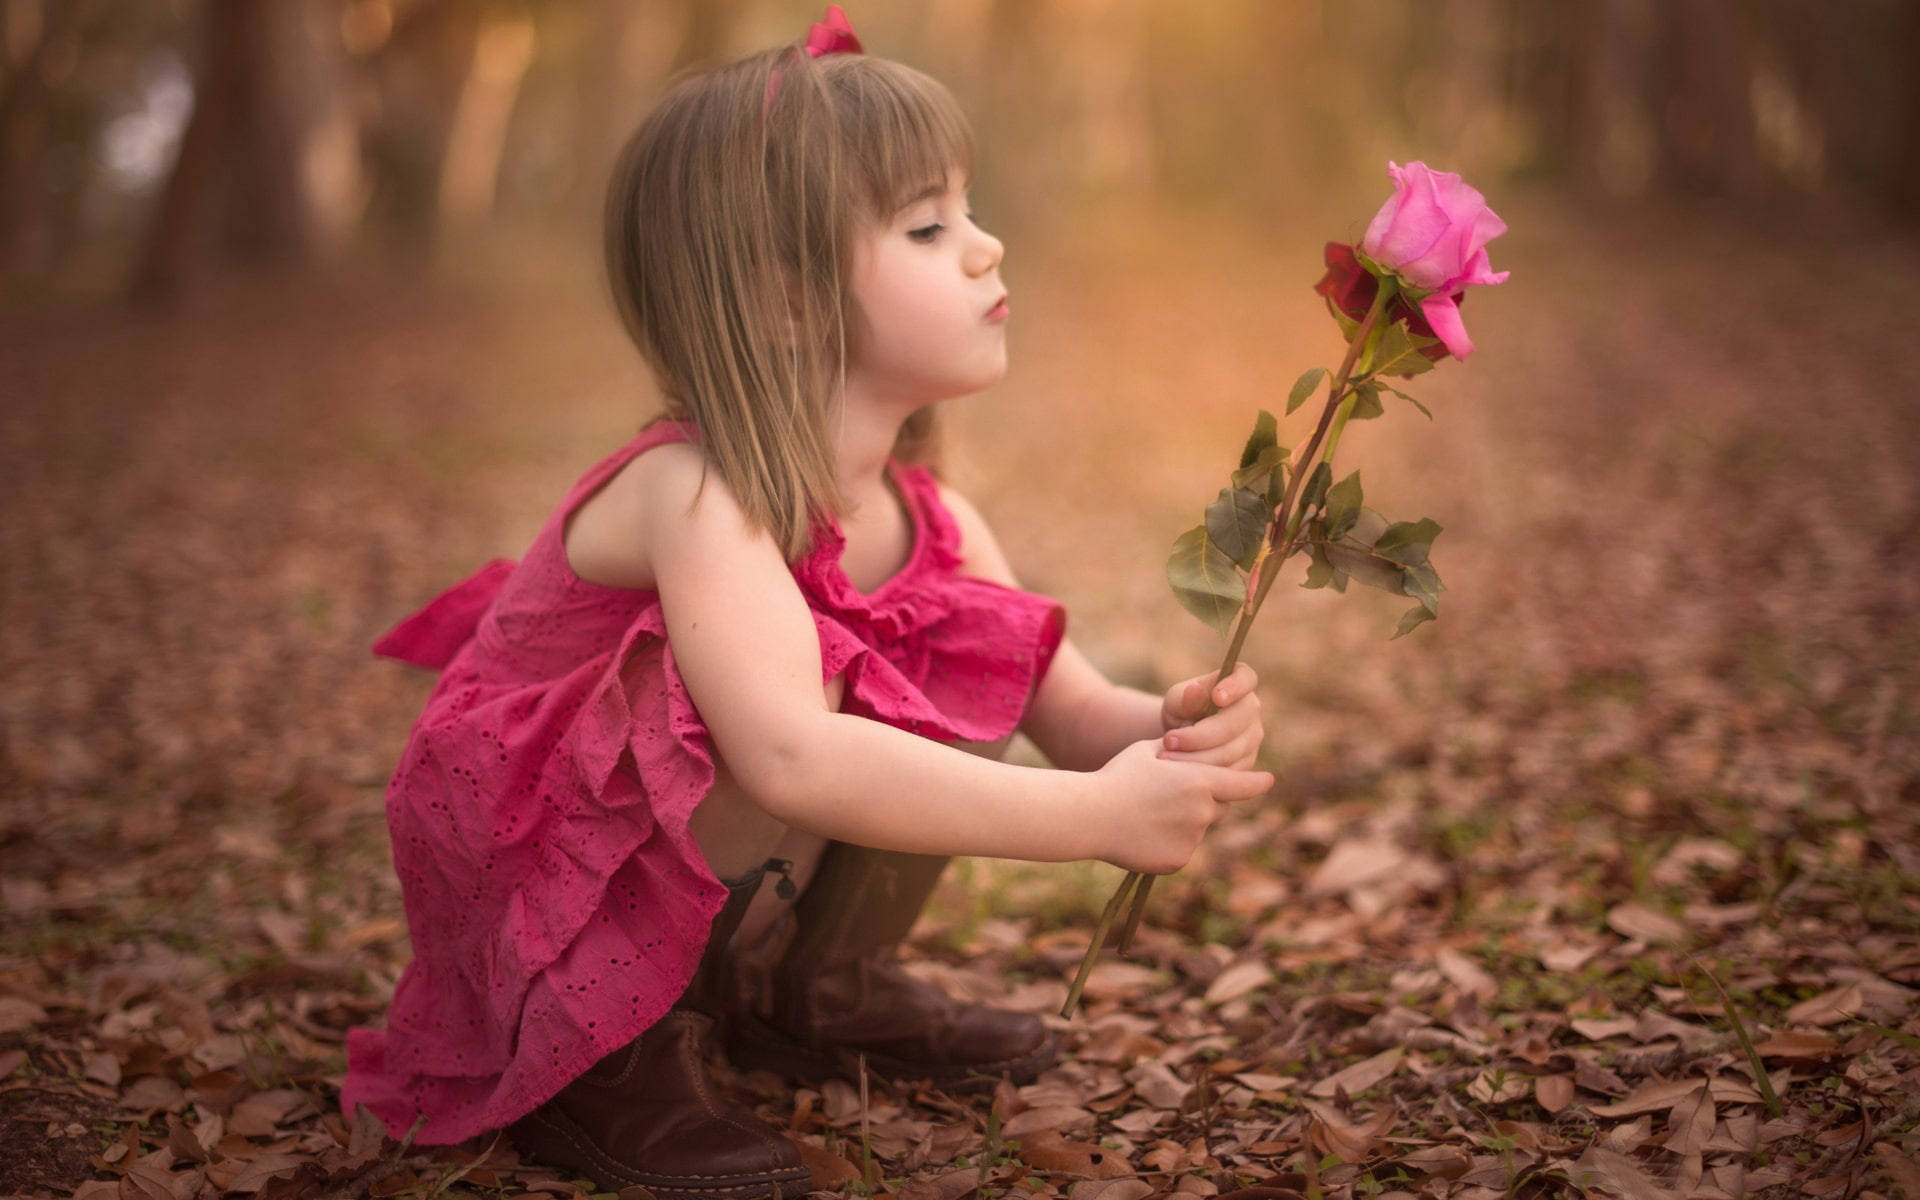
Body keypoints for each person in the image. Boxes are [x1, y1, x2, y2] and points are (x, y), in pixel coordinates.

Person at [340, 7, 1273, 1197]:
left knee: (952, 637)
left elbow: (1070, 707)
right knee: (801, 692)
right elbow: (783, 756)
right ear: (783, 298)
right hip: (537, 862)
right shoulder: (694, 491)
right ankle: (600, 1051)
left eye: (969, 214)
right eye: (930, 227)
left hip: (691, 827)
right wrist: (1093, 820)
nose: (987, 248)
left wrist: (1174, 730)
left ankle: (807, 987)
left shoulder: (927, 519)